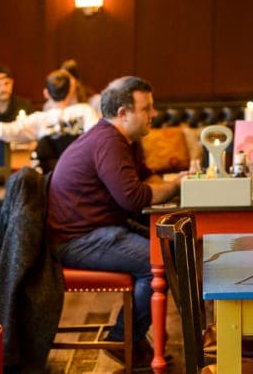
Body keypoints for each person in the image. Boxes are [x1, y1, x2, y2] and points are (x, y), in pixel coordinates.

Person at [47, 76, 183, 367]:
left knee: (170, 248)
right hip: (76, 240)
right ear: (123, 113)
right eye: (146, 108)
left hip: (99, 230)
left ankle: (136, 338)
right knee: (157, 262)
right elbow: (134, 198)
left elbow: (146, 178)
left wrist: (176, 184)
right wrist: (176, 186)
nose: (153, 113)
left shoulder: (124, 140)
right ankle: (124, 339)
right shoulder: (108, 141)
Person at [0, 69, 99, 143]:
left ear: (46, 93)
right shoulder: (86, 112)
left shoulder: (39, 120)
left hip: (51, 181)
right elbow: (97, 138)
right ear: (70, 91)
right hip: (82, 177)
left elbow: (3, 130)